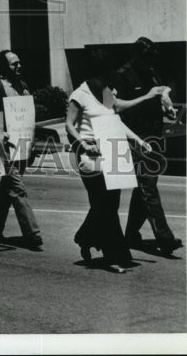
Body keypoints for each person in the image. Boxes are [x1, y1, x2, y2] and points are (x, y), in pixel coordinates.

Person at [66, 60, 156, 273]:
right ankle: (114, 256)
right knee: (104, 204)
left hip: (112, 149)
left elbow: (117, 119)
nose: (108, 82)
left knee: (109, 204)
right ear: (92, 76)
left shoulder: (105, 93)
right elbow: (69, 124)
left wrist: (139, 140)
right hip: (90, 153)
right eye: (104, 77)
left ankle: (85, 237)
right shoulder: (80, 94)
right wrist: (84, 144)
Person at [111, 37, 182, 255]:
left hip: (154, 135)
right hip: (136, 136)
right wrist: (146, 96)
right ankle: (165, 238)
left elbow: (159, 97)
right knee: (148, 186)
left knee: (143, 189)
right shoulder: (123, 74)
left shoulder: (151, 71)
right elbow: (116, 106)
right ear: (137, 55)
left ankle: (131, 235)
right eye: (147, 57)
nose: (150, 62)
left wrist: (166, 109)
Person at [0, 50, 43, 250]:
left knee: (6, 191)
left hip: (23, 148)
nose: (18, 67)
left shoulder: (23, 87)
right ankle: (32, 234)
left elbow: (29, 119)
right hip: (5, 149)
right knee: (18, 189)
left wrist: (32, 143)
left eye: (19, 63)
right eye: (13, 64)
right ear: (3, 67)